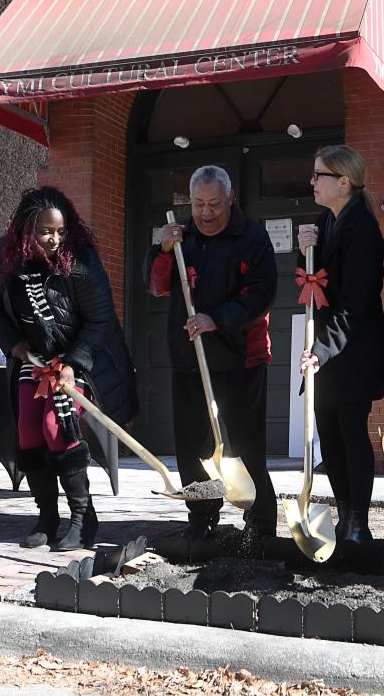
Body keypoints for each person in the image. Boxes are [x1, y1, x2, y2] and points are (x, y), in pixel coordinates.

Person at [0, 186, 137, 551]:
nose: (54, 239)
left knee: (57, 426)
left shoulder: (80, 258)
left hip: (80, 356)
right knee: (29, 433)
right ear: (24, 229)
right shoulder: (3, 254)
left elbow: (101, 320)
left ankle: (83, 518)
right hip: (32, 358)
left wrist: (72, 364)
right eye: (45, 231)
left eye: (60, 231)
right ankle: (47, 516)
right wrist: (13, 344)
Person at [145, 165, 278, 545]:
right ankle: (202, 516)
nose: (205, 212)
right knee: (192, 444)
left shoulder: (252, 238)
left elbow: (261, 294)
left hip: (241, 359)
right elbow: (154, 285)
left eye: (214, 204)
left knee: (246, 443)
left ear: (230, 199)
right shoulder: (180, 237)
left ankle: (260, 522)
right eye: (199, 204)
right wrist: (163, 251)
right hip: (189, 358)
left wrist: (216, 319)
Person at [296, 145, 384, 545]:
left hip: (353, 351)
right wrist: (303, 254)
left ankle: (359, 524)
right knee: (329, 440)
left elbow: (355, 304)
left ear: (344, 182)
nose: (312, 182)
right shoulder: (324, 222)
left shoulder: (363, 230)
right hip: (328, 354)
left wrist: (321, 351)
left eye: (320, 175)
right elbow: (311, 286)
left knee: (351, 433)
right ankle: (344, 512)